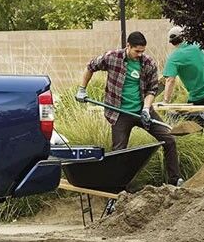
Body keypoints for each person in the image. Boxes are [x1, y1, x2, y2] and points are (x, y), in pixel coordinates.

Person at [77, 32, 181, 185]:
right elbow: (90, 67)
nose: (140, 54)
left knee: (169, 140)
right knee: (119, 153)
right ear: (128, 46)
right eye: (137, 51)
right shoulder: (112, 57)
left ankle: (174, 181)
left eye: (142, 51)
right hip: (120, 113)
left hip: (142, 111)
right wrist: (82, 89)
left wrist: (146, 109)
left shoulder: (149, 64)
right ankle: (118, 188)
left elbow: (152, 90)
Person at [162, 26, 204, 153]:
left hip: (198, 96)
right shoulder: (198, 46)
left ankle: (198, 153)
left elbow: (170, 80)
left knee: (195, 128)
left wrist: (165, 101)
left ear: (172, 42)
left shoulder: (174, 57)